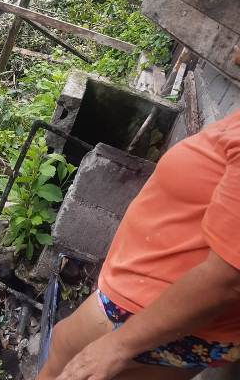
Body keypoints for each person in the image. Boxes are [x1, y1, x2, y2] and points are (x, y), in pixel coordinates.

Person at [38, 110, 240, 380]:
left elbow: (227, 281)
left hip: (155, 312)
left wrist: (118, 346)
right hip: (169, 310)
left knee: (65, 353)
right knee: (65, 349)